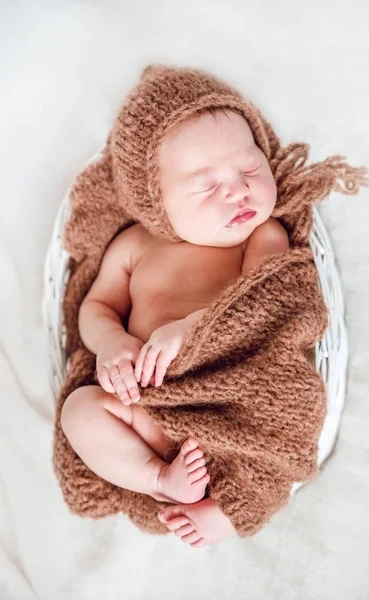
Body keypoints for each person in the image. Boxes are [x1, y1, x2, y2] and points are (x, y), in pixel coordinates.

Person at [61, 106, 289, 548]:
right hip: (147, 410)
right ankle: (158, 478)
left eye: (250, 167)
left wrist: (192, 328)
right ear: (155, 199)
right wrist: (112, 341)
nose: (239, 191)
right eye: (207, 185)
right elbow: (97, 306)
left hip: (225, 404)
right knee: (81, 408)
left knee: (275, 429)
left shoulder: (264, 236)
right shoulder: (133, 246)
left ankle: (227, 508)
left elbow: (265, 308)